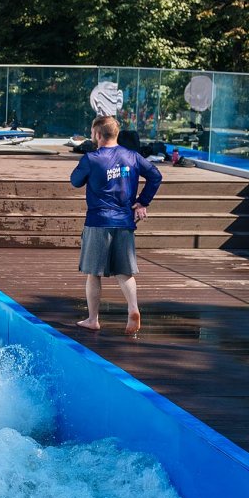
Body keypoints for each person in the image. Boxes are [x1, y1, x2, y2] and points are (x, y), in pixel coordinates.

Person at [70, 114, 161, 335]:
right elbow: (155, 176)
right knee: (124, 272)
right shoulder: (133, 156)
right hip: (124, 220)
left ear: (98, 135)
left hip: (98, 222)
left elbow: (75, 181)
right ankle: (133, 308)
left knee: (94, 273)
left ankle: (93, 319)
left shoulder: (91, 159)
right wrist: (142, 201)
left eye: (93, 134)